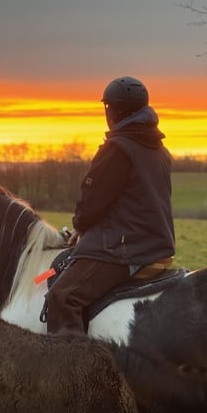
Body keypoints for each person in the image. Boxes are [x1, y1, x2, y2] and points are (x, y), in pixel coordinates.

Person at [46, 76, 176, 334]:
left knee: (62, 298)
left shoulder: (118, 149)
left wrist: (79, 227)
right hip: (158, 245)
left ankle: (70, 371)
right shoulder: (158, 150)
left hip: (125, 249)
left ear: (112, 110)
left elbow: (92, 203)